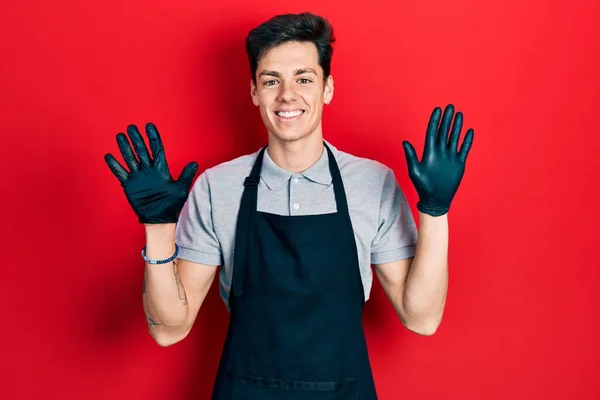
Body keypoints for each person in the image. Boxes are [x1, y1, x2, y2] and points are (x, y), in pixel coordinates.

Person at [104, 12, 474, 400]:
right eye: (270, 81)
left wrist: (434, 210)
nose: (287, 95)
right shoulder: (218, 186)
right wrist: (159, 226)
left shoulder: (372, 183)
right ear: (253, 92)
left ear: (327, 88)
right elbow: (169, 329)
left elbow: (423, 318)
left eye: (303, 78)